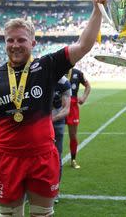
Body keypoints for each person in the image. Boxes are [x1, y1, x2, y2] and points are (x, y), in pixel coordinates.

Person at [0, 0, 106, 217]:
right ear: (5, 42)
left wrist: (97, 10)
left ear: (33, 42)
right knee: (9, 215)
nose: (15, 45)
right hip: (8, 158)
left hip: (42, 156)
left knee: (42, 214)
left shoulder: (47, 66)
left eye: (21, 40)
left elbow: (83, 45)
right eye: (10, 40)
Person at [51, 75, 71, 203]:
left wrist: (50, 120)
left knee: (57, 158)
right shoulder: (39, 77)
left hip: (56, 123)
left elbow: (66, 109)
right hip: (38, 124)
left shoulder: (64, 83)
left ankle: (55, 191)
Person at [66, 67, 91, 169]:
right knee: (53, 135)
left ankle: (73, 159)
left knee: (73, 135)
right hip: (58, 105)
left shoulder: (77, 73)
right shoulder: (56, 70)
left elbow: (88, 86)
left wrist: (84, 98)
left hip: (72, 106)